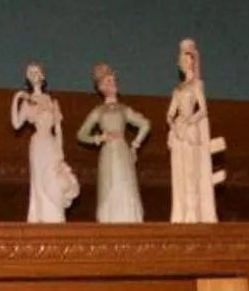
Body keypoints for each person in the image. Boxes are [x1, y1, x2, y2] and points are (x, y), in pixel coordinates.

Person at [76, 63, 151, 223]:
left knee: (125, 182)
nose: (113, 83)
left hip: (122, 150)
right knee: (109, 183)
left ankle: (129, 218)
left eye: (113, 80)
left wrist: (135, 145)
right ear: (101, 87)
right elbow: (81, 134)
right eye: (108, 81)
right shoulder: (99, 111)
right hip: (108, 152)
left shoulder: (123, 109)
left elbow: (145, 124)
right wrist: (99, 138)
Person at [12, 62, 79, 224]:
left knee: (53, 176)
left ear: (42, 76)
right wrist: (17, 98)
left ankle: (55, 216)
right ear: (28, 78)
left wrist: (60, 152)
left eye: (37, 72)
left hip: (50, 142)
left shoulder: (51, 101)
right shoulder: (28, 102)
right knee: (39, 180)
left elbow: (58, 128)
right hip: (37, 144)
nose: (35, 75)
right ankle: (40, 216)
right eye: (31, 73)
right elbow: (16, 124)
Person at [166, 38, 221, 224]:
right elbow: (169, 114)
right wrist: (174, 126)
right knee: (180, 173)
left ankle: (193, 211)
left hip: (190, 131)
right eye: (181, 60)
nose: (183, 63)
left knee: (191, 173)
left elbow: (203, 109)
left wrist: (190, 121)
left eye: (186, 59)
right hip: (179, 132)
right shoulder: (178, 89)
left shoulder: (196, 85)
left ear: (191, 61)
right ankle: (181, 212)